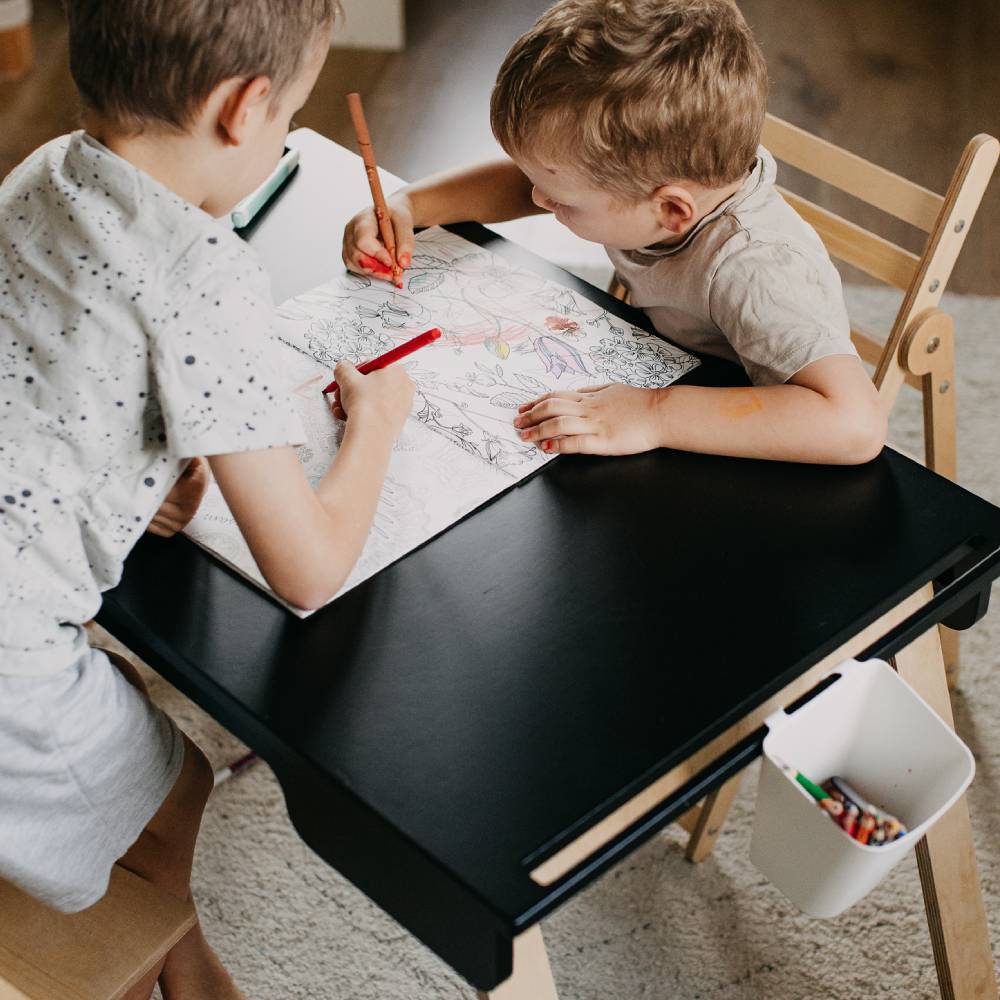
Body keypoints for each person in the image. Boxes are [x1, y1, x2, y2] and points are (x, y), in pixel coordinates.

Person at [0, 2, 413, 996]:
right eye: (290, 121)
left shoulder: (41, 171)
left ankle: (173, 953)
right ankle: (153, 971)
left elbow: (47, 374)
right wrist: (378, 424)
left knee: (130, 727)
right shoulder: (204, 276)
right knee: (175, 783)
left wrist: (128, 484)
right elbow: (308, 566)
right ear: (245, 107)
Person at [343, 0, 887, 465]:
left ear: (672, 211)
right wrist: (411, 205)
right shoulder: (649, 189)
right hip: (656, 355)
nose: (536, 198)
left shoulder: (757, 270)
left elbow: (854, 425)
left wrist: (654, 415)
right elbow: (526, 184)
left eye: (558, 198)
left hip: (742, 430)